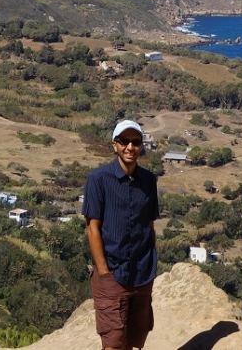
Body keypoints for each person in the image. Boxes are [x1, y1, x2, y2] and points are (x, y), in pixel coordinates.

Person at [82, 120, 160, 350]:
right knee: (113, 342)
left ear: (141, 146)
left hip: (142, 274)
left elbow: (150, 225)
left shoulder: (149, 181)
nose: (130, 147)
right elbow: (92, 228)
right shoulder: (98, 179)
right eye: (124, 141)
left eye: (135, 142)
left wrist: (151, 263)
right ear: (114, 145)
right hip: (112, 273)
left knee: (135, 338)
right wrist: (104, 272)